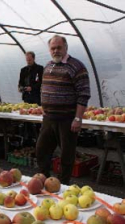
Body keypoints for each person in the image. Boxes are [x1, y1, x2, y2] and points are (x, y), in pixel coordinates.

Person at [36, 35, 91, 184]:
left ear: (65, 47)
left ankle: (64, 185)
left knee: (67, 154)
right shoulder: (48, 66)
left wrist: (78, 118)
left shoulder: (77, 66)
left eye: (59, 47)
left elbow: (83, 94)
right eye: (53, 48)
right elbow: (44, 88)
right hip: (48, 118)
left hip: (67, 119)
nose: (56, 51)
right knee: (41, 150)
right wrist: (44, 106)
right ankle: (45, 180)